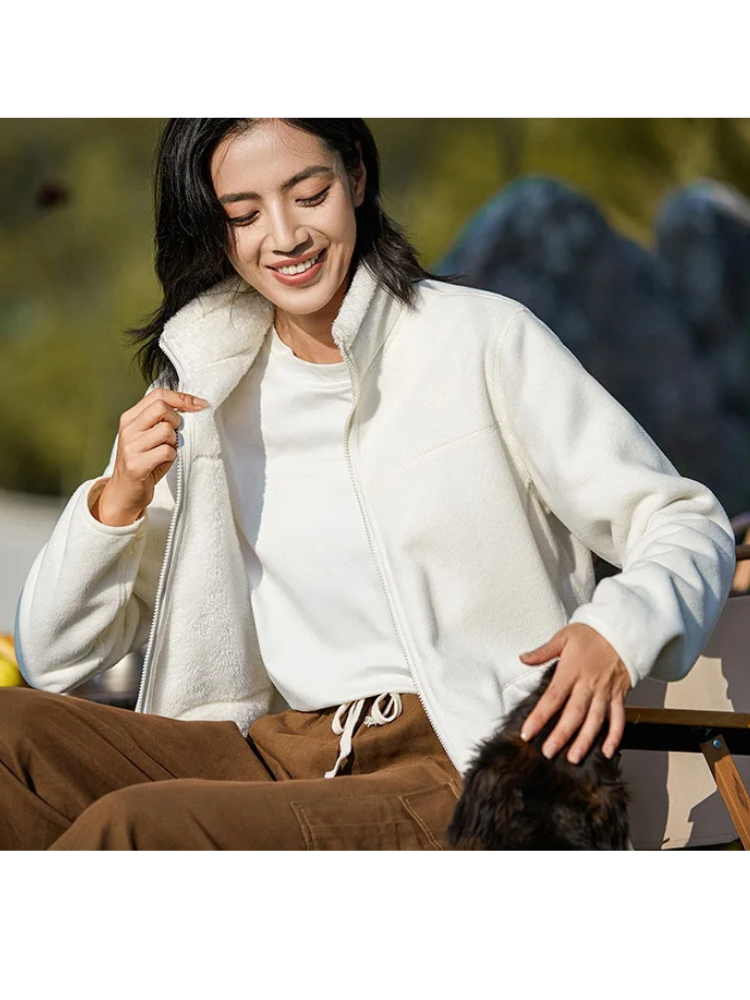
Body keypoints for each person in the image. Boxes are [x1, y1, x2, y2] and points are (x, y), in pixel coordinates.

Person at [4, 118, 736, 850]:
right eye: (245, 214)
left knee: (138, 829)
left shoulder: (479, 338)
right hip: (277, 753)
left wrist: (617, 630)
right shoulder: (207, 389)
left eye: (309, 193)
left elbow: (681, 519)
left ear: (354, 176)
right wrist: (117, 500)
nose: (285, 235)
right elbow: (53, 655)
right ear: (215, 228)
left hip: (457, 765)